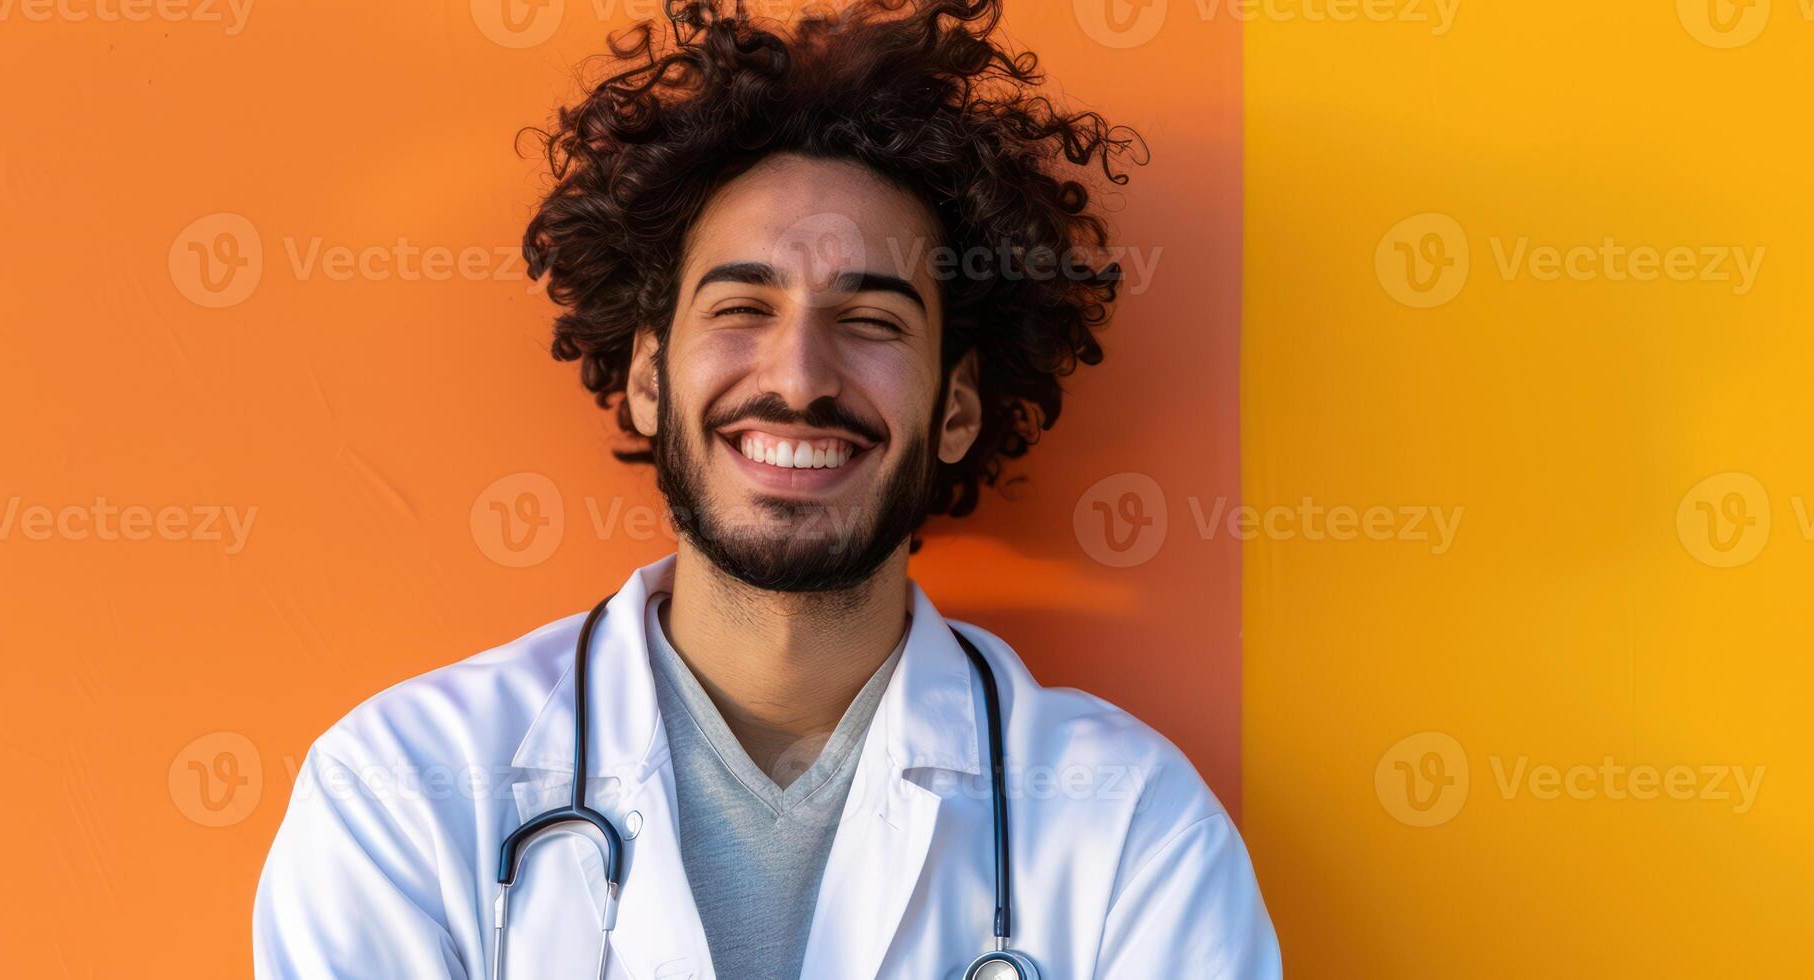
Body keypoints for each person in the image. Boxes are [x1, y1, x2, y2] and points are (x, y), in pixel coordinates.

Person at [253, 1, 1279, 976]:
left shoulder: (1130, 827)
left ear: (956, 407)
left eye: (871, 321)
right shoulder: (402, 790)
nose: (796, 377)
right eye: (742, 305)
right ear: (648, 376)